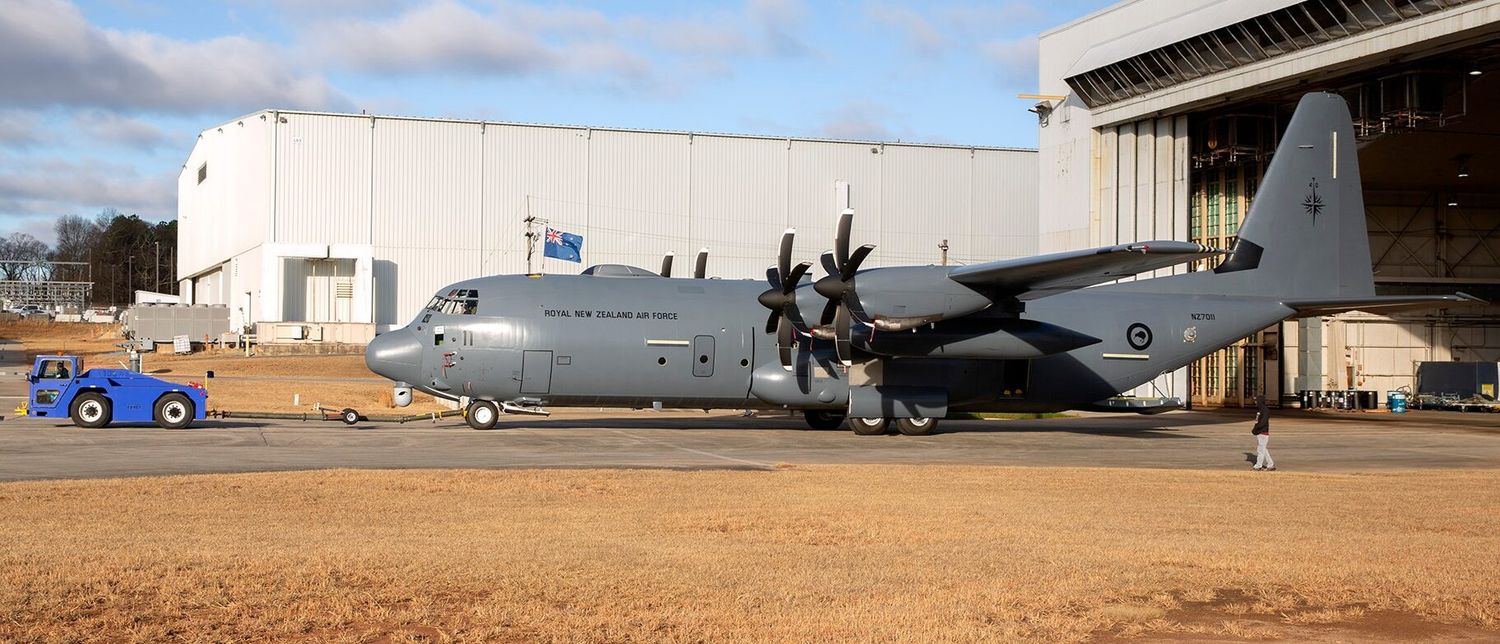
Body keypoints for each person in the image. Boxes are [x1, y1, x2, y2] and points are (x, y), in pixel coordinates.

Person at [1252, 395, 1275, 471]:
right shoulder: (1260, 410)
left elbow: (1262, 422)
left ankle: (1258, 466)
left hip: (1263, 432)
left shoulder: (1264, 410)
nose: (1255, 402)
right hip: (1260, 432)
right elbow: (1257, 421)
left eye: (1256, 400)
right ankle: (1270, 465)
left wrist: (1256, 429)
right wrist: (1255, 429)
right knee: (1263, 449)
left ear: (1260, 401)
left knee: (1260, 450)